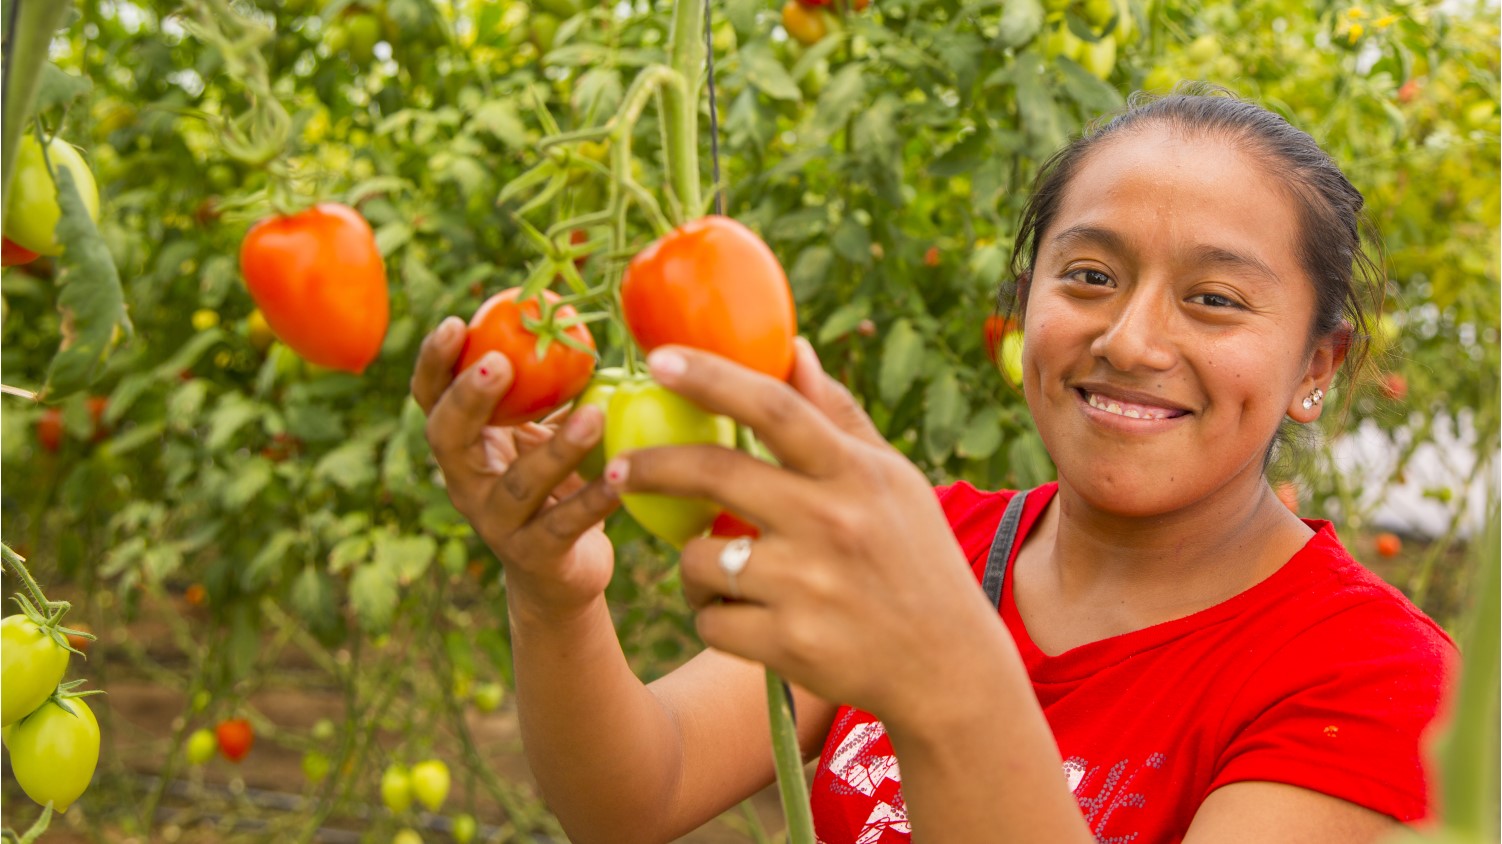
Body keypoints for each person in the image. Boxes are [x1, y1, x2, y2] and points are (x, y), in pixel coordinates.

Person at [409, 88, 1457, 843]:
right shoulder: (934, 543)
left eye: (1214, 299)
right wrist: (554, 592)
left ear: (1315, 367)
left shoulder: (1378, 684)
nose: (1131, 339)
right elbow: (639, 793)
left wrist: (946, 677)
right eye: (1088, 276)